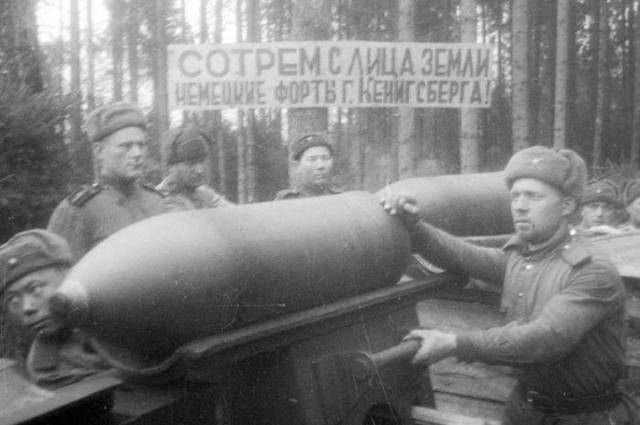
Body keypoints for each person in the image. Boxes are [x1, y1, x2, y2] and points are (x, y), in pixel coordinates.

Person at [382, 146, 632, 424]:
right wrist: (414, 228)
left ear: (567, 206)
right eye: (515, 196)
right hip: (524, 410)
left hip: (583, 417)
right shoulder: (522, 256)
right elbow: (464, 256)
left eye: (534, 196)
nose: (520, 206)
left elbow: (545, 339)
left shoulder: (591, 269)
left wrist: (455, 343)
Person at [47, 102, 166, 262]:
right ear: (99, 151)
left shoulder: (157, 201)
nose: (137, 153)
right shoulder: (77, 211)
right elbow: (60, 272)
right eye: (126, 146)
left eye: (141, 145)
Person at [0, 229, 108, 388]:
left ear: (69, 277)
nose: (26, 308)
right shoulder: (44, 365)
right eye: (13, 299)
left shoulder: (121, 304)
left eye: (35, 289)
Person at [156, 124, 232, 211]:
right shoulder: (161, 199)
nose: (200, 170)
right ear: (173, 166)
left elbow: (233, 212)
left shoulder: (203, 193)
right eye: (190, 164)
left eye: (202, 161)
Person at [275, 132, 342, 200]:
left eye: (325, 158)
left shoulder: (341, 198)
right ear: (297, 166)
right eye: (312, 159)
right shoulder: (286, 200)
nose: (320, 165)